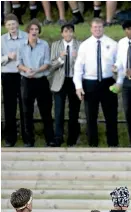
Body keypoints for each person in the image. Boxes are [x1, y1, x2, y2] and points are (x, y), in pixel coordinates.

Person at [73, 18, 119, 147]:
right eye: (95, 27)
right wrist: (78, 86)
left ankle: (113, 145)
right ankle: (93, 145)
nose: (97, 29)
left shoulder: (112, 44)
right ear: (91, 29)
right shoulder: (85, 45)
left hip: (108, 82)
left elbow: (119, 63)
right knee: (91, 116)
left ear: (103, 28)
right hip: (90, 83)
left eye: (99, 27)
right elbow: (78, 68)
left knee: (111, 116)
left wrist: (117, 72)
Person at [17, 19, 55, 147]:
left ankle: (50, 139)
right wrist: (27, 69)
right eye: (32, 29)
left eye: (36, 29)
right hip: (26, 81)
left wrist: (36, 70)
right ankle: (29, 140)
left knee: (46, 111)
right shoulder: (21, 45)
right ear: (28, 31)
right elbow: (19, 63)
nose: (34, 32)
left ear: (39, 31)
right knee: (27, 112)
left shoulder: (44, 44)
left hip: (41, 81)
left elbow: (47, 63)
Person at [49, 23, 81, 147]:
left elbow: (84, 63)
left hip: (74, 81)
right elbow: (51, 65)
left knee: (74, 111)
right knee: (58, 111)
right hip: (60, 82)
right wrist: (61, 59)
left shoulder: (80, 45)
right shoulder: (55, 45)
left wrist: (77, 58)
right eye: (66, 31)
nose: (68, 34)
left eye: (70, 31)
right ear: (62, 33)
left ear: (73, 33)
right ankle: (58, 137)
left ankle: (72, 139)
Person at [1, 13, 28, 147]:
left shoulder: (26, 37)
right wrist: (7, 57)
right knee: (9, 108)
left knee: (25, 107)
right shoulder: (1, 40)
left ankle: (27, 138)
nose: (12, 27)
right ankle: (10, 139)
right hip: (8, 76)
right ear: (5, 26)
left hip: (23, 75)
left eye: (13, 24)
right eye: (9, 25)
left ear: (18, 24)